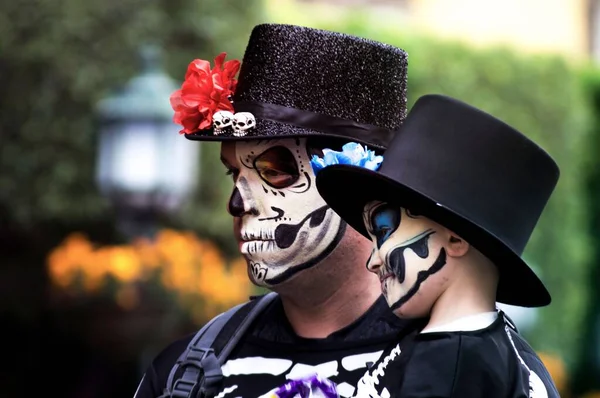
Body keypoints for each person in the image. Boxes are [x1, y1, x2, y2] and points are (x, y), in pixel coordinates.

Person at [133, 23, 421, 398]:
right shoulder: (185, 371)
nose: (237, 203)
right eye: (233, 172)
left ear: (363, 184)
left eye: (274, 171)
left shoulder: (464, 366)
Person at [314, 94, 561, 397]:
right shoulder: (510, 352)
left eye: (384, 231)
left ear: (455, 239)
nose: (373, 261)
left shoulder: (448, 361)